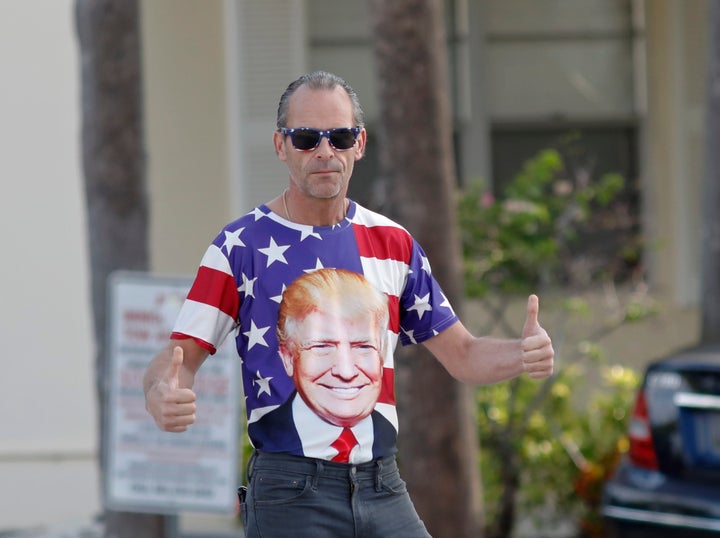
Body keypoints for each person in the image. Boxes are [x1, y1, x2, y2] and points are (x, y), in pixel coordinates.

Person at [143, 70, 554, 538]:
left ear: (359, 143)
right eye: (305, 138)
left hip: (383, 484)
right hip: (290, 491)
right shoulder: (241, 246)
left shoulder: (392, 244)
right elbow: (176, 357)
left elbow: (462, 354)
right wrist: (161, 392)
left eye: (339, 136)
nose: (325, 152)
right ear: (280, 146)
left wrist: (521, 354)